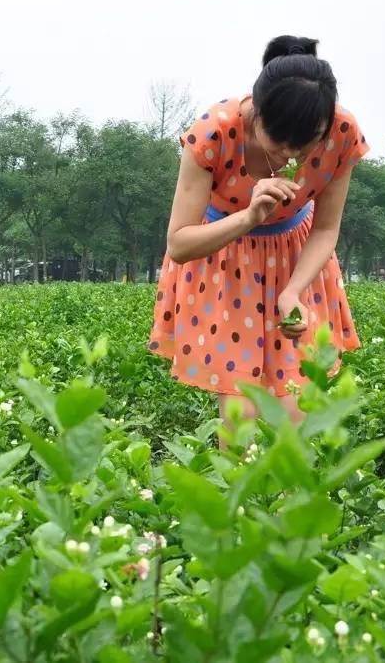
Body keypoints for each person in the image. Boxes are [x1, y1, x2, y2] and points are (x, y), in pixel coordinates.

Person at [147, 36, 369, 442]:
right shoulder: (213, 134)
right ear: (256, 112)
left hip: (297, 257)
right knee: (241, 413)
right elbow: (179, 243)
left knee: (296, 408)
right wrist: (248, 217)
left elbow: (324, 228)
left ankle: (289, 501)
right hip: (222, 254)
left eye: (306, 144)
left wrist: (293, 293)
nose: (292, 156)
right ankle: (239, 502)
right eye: (280, 140)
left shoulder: (341, 132)